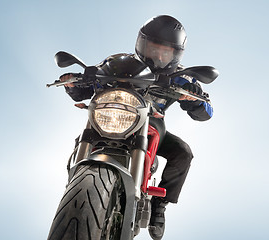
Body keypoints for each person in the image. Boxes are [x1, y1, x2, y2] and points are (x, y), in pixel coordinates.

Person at [60, 15, 213, 240]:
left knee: (183, 153)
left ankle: (160, 204)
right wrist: (74, 82)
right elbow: (89, 86)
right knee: (80, 140)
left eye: (165, 52)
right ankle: (74, 190)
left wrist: (197, 99)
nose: (158, 55)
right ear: (142, 44)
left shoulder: (182, 77)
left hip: (151, 124)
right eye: (152, 48)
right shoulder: (120, 64)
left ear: (175, 54)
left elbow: (206, 112)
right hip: (112, 115)